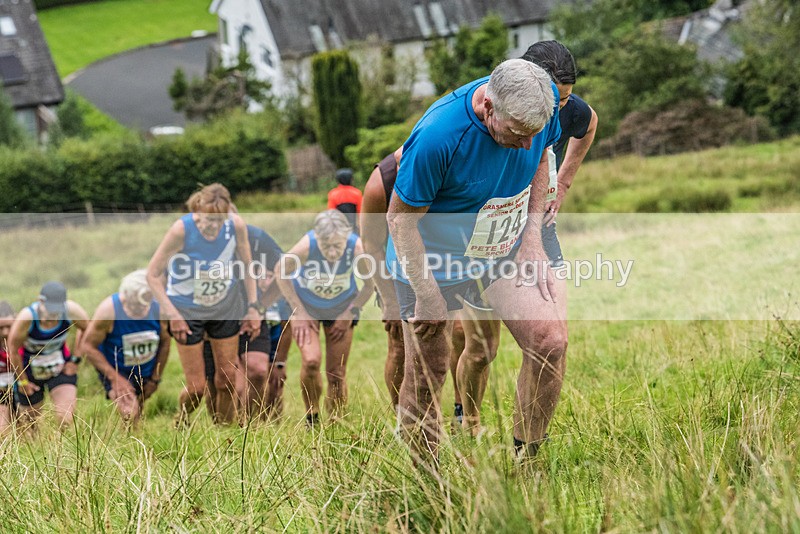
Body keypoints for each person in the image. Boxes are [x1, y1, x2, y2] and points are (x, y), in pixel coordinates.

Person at [386, 59, 565, 462]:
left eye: (533, 134)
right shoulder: (437, 137)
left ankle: (527, 461)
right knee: (428, 373)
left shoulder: (541, 101)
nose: (525, 144)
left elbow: (541, 159)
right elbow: (399, 221)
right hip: (432, 257)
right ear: (488, 107)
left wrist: (532, 239)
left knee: (549, 342)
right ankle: (427, 481)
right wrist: (428, 295)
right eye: (517, 134)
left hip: (500, 245)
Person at [452, 40, 599, 437]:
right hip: (489, 236)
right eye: (553, 99)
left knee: (552, 342)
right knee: (481, 350)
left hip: (538, 229)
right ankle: (468, 417)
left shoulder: (566, 109)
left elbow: (589, 124)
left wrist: (563, 183)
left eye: (563, 101)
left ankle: (527, 448)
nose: (557, 111)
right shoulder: (491, 111)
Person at [147, 183, 261, 426]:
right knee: (197, 388)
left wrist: (253, 307)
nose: (213, 227)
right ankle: (181, 419)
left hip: (224, 306)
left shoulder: (236, 225)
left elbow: (248, 266)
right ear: (198, 209)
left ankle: (224, 434)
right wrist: (172, 315)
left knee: (227, 380)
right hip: (186, 310)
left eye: (219, 221)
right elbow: (152, 275)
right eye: (209, 220)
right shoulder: (181, 230)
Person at [277, 210, 374, 427]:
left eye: (337, 246)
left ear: (346, 239)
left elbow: (370, 286)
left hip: (341, 307)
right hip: (307, 306)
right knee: (311, 362)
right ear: (317, 238)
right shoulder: (306, 246)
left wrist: (350, 312)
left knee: (336, 372)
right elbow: (280, 271)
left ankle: (336, 423)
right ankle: (312, 417)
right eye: (326, 246)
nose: (332, 252)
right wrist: (298, 312)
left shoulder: (357, 248)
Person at [200, 224, 288, 421]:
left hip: (251, 313)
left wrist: (260, 307)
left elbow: (286, 271)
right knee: (222, 382)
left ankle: (250, 427)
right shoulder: (199, 239)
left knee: (258, 370)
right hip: (215, 318)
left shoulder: (258, 238)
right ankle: (221, 429)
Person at [81, 270, 171, 424]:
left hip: (145, 370)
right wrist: (115, 378)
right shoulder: (108, 311)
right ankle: (128, 435)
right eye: (136, 304)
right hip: (116, 369)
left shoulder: (159, 308)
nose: (142, 308)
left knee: (138, 408)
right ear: (126, 297)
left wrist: (155, 378)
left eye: (145, 303)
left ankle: (131, 437)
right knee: (130, 413)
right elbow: (88, 346)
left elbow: (165, 342)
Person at [7, 282, 89, 432]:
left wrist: (75, 360)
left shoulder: (71, 310)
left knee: (66, 419)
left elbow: (87, 330)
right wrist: (23, 381)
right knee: (29, 426)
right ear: (41, 301)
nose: (53, 315)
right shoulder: (27, 318)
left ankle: (62, 445)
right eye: (50, 310)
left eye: (57, 311)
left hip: (60, 368)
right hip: (29, 373)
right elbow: (13, 350)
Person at [0, 301, 16, 433]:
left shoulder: (25, 339)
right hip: (1, 391)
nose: (5, 332)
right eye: (1, 328)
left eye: (9, 327)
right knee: (3, 430)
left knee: (28, 430)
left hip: (22, 388)